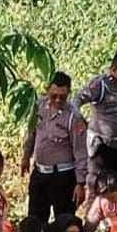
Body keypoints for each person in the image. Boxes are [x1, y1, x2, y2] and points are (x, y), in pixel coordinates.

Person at [21, 71, 88, 222]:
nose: (58, 100)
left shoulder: (74, 117)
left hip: (63, 177)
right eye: (54, 96)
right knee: (35, 220)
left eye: (62, 97)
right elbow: (31, 133)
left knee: (64, 222)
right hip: (40, 173)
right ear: (47, 90)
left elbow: (81, 152)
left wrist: (80, 183)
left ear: (69, 93)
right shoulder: (38, 107)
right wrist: (26, 156)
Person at [73, 49, 117, 191]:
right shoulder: (100, 85)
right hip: (101, 144)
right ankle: (93, 212)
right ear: (115, 69)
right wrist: (80, 120)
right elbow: (76, 100)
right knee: (98, 184)